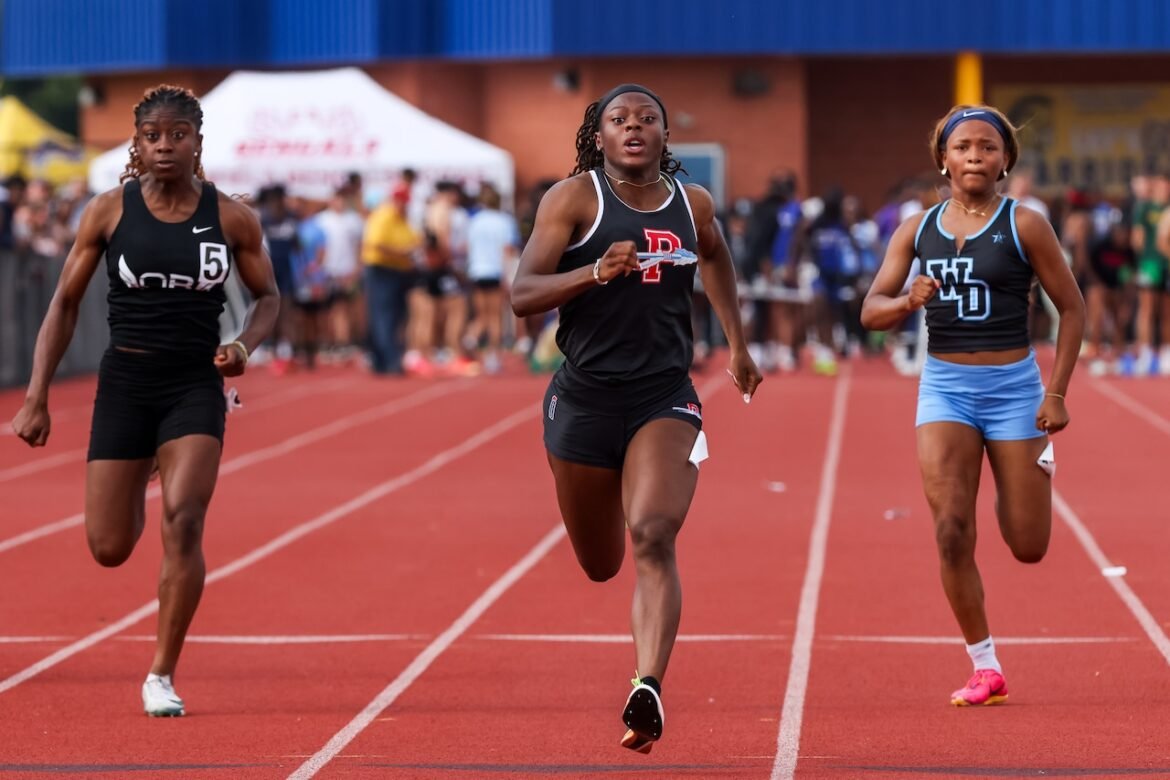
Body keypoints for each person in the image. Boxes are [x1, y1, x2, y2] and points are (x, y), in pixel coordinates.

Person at [9, 84, 279, 716]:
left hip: (193, 385)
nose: (164, 147)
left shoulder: (233, 217)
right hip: (126, 385)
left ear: (197, 143)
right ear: (135, 144)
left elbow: (269, 298)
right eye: (152, 136)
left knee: (184, 518)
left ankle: (161, 673)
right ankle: (147, 461)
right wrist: (36, 397)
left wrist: (241, 346)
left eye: (177, 136)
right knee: (109, 547)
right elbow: (65, 303)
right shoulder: (108, 211)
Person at [510, 83, 762, 752]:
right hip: (584, 398)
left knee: (653, 533)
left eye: (646, 119)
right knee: (600, 562)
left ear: (663, 135)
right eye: (619, 120)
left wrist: (737, 342)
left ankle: (646, 684)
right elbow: (521, 294)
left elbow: (716, 258)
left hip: (664, 395)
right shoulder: (573, 201)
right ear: (598, 136)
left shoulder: (693, 203)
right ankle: (640, 658)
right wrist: (594, 273)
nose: (633, 129)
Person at [860, 104, 1084, 707]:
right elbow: (870, 311)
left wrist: (1056, 393)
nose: (975, 157)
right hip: (945, 390)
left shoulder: (1026, 224)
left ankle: (1034, 468)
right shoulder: (917, 229)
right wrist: (908, 301)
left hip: (1016, 390)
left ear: (1005, 159)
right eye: (964, 148)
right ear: (944, 159)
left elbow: (1074, 309)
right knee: (952, 528)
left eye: (988, 148)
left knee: (1027, 545)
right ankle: (985, 665)